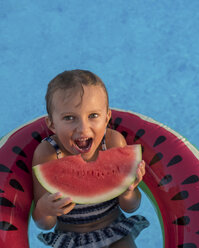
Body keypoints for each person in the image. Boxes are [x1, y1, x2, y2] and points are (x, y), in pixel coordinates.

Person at [32, 69, 150, 248]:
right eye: (69, 118)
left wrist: (128, 191)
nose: (83, 129)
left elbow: (131, 207)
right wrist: (45, 209)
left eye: (93, 116)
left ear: (107, 117)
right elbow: (43, 223)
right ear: (52, 124)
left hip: (115, 230)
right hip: (71, 239)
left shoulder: (113, 142)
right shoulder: (47, 153)